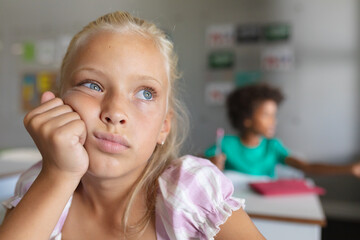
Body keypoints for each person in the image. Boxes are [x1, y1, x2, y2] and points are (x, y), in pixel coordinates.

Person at [0, 11, 264, 240]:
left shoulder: (190, 194)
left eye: (146, 93)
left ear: (164, 126)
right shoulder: (41, 183)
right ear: (57, 104)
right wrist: (58, 174)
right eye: (93, 85)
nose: (115, 112)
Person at [205, 83, 360, 178]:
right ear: (246, 119)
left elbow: (306, 167)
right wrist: (209, 163)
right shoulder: (225, 144)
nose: (274, 121)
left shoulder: (273, 147)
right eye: (266, 115)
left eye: (274, 115)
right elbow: (196, 164)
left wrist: (349, 169)